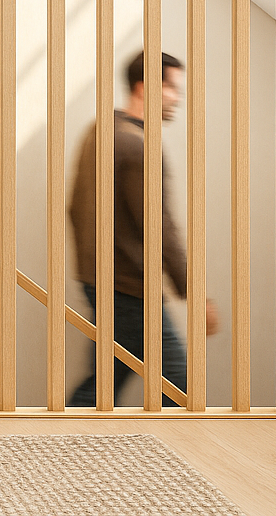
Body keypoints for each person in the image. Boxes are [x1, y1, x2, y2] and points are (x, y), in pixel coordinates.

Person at [68, 50, 220, 407]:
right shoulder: (137, 145)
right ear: (143, 88)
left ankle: (65, 452)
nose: (176, 98)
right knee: (178, 387)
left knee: (102, 384)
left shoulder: (102, 131)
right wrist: (194, 294)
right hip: (129, 287)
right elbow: (161, 229)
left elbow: (74, 209)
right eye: (171, 88)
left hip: (101, 282)